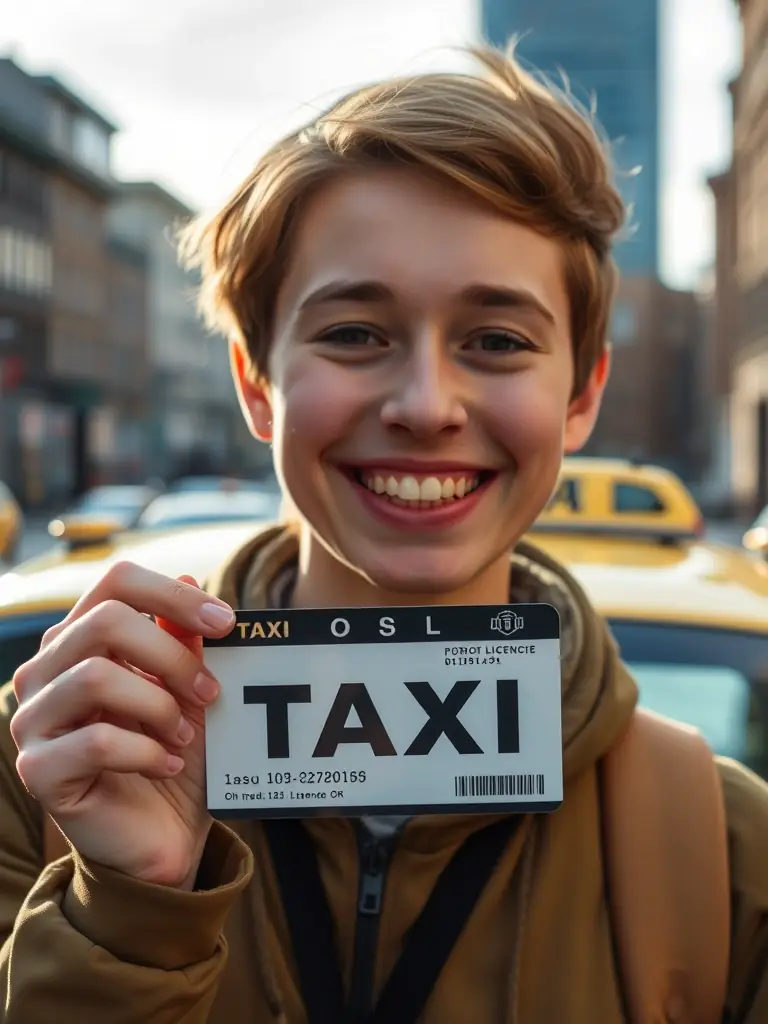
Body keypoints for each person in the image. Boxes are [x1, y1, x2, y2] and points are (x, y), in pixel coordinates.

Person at [1, 43, 768, 1024]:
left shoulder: (728, 851)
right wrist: (126, 919)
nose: (425, 404)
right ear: (254, 383)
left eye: (496, 340)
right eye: (356, 333)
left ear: (581, 397)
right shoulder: (44, 775)